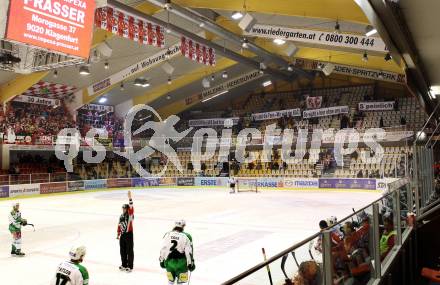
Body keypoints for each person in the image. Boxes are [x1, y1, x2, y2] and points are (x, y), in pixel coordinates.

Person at [160, 220, 195, 284]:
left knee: (170, 282)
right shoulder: (187, 236)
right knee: (181, 283)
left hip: (170, 263)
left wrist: (161, 261)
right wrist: (190, 264)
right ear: (183, 226)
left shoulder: (167, 234)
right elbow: (189, 253)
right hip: (182, 264)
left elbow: (163, 249)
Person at [117, 191, 134, 272]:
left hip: (129, 234)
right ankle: (124, 264)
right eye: (123, 208)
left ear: (127, 209)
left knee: (129, 250)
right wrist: (118, 233)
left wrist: (130, 198)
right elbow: (119, 225)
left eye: (125, 208)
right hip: (123, 235)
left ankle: (130, 266)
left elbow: (131, 206)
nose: (123, 210)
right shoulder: (121, 216)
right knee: (122, 250)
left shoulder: (130, 215)